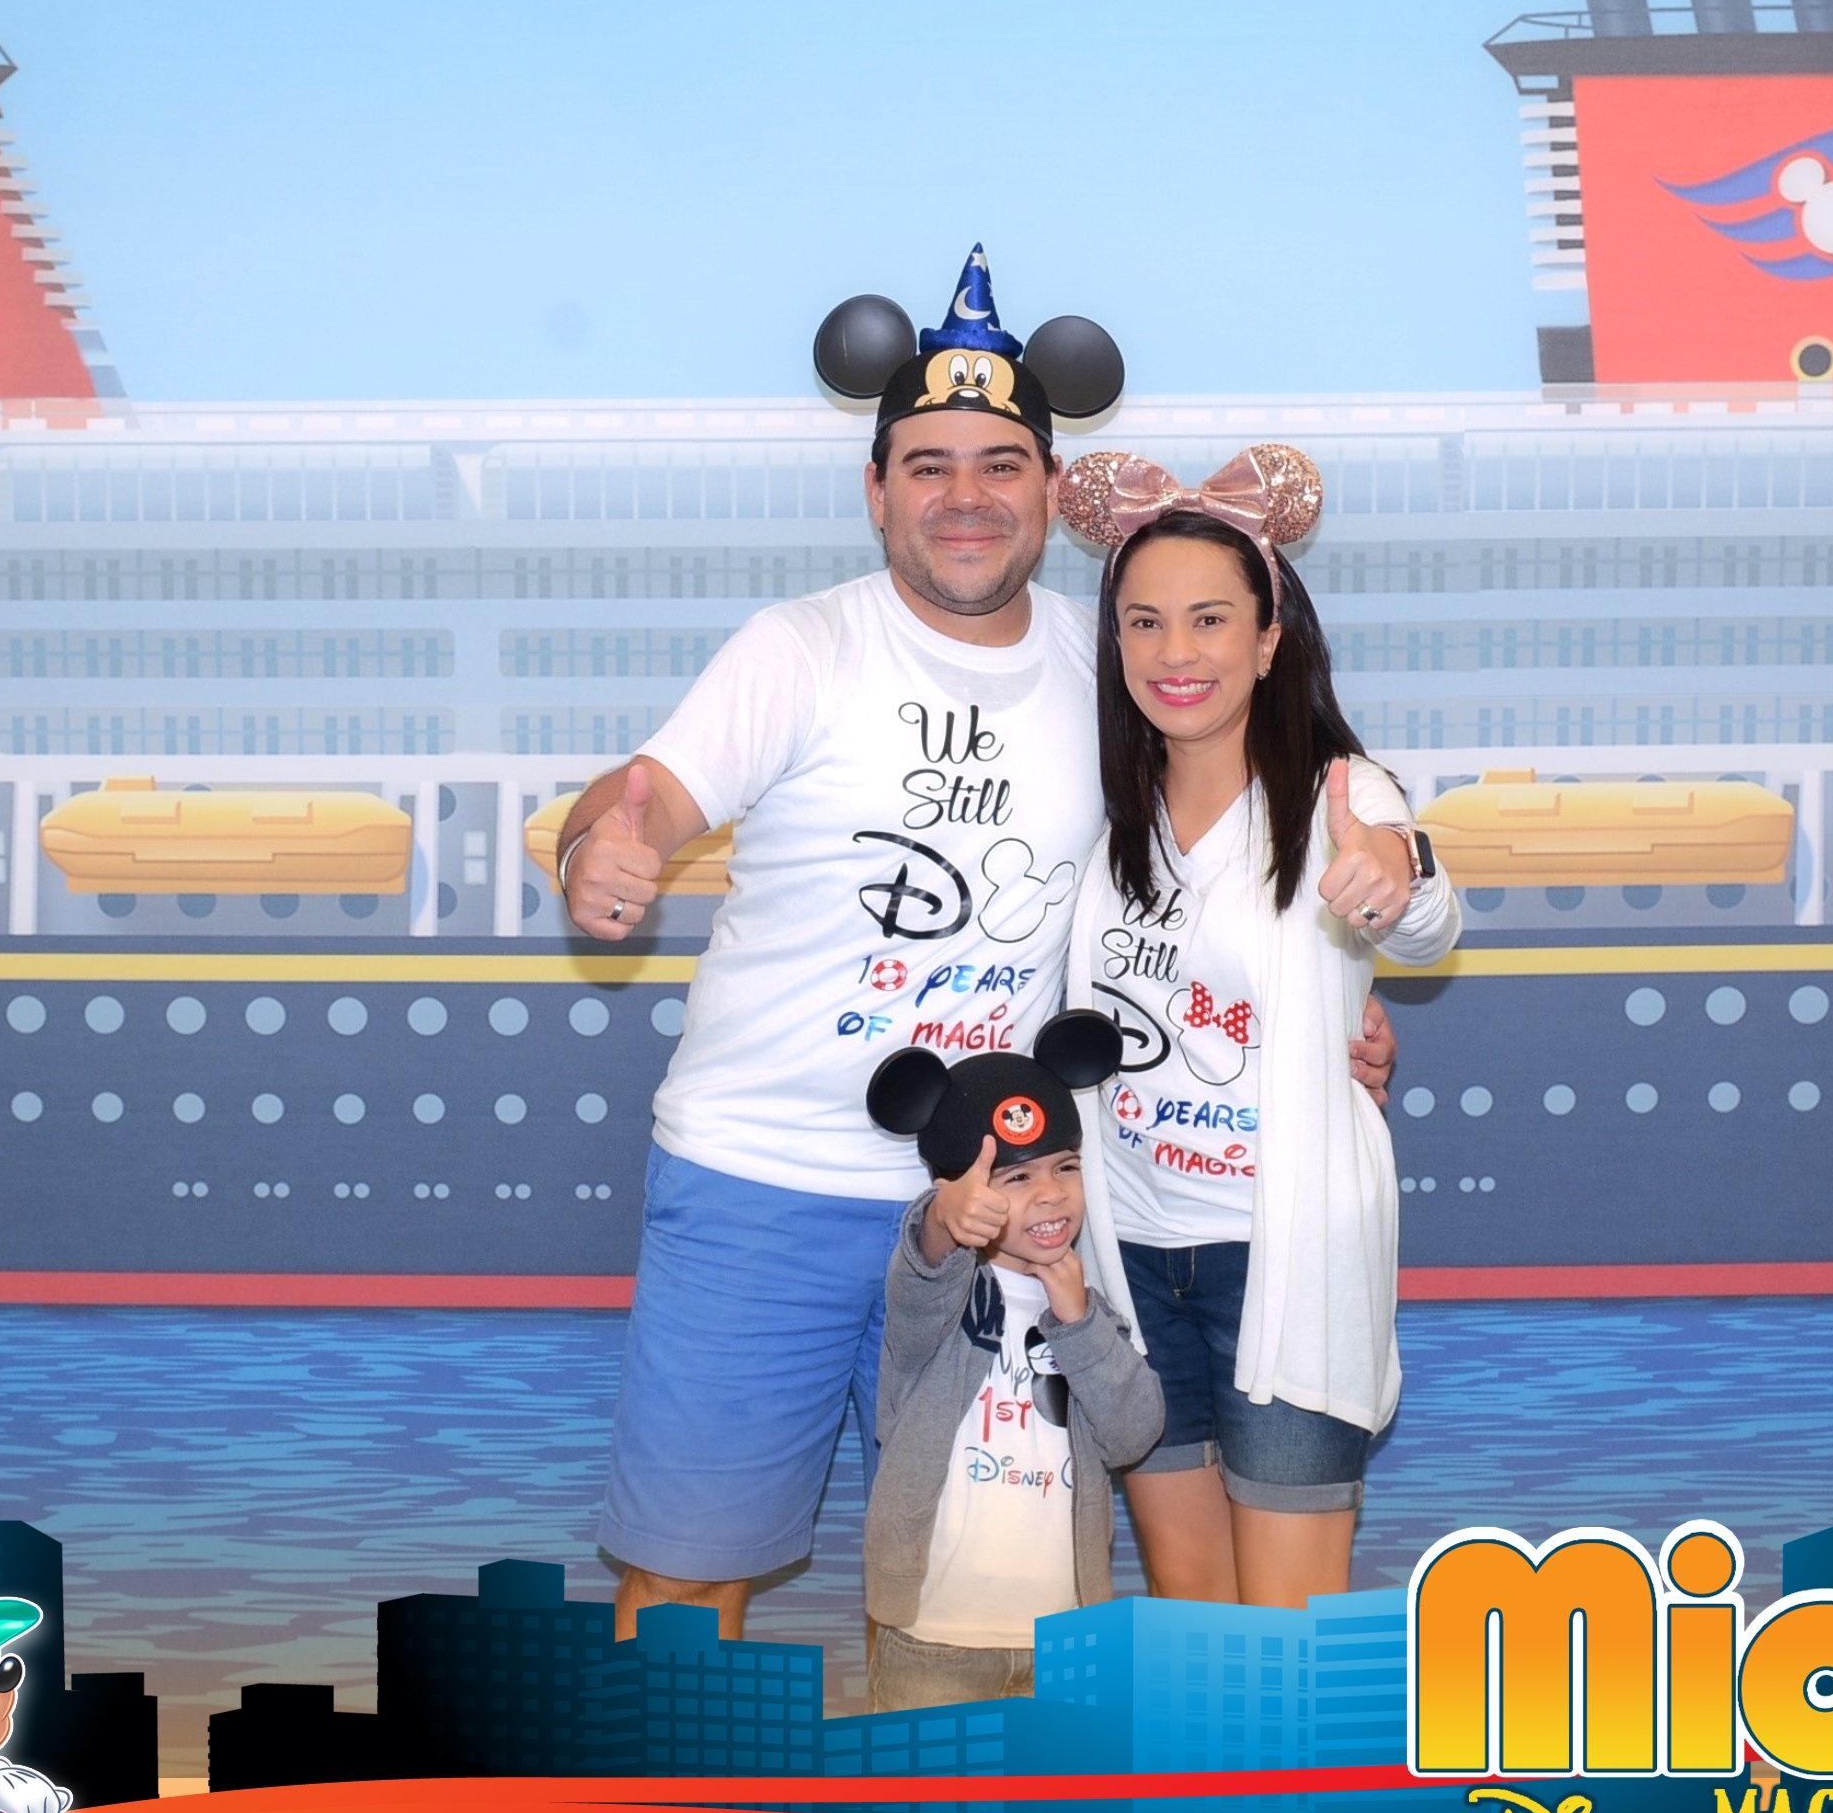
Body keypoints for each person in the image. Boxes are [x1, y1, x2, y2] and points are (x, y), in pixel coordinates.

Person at [551, 252, 1399, 1638]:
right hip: (765, 1185)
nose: (966, 497)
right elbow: (642, 797)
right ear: (876, 488)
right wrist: (597, 849)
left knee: (985, 1601)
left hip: (1008, 1200)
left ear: (1051, 491)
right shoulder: (799, 649)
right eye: (928, 465)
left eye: (1001, 464)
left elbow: (1196, 890)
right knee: (691, 1574)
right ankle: (661, 1791)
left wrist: (1325, 1011)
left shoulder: (1112, 665)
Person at [1058, 444, 1462, 1612]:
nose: (1175, 654)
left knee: (1287, 1624)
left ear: (1270, 637)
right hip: (1132, 1266)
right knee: (1191, 1612)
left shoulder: (1341, 793)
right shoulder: (1106, 817)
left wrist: (1395, 876)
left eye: (1209, 620)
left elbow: (1426, 920)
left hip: (1283, 1266)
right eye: (1144, 624)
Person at [857, 1015, 1164, 1709]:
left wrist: (1079, 1322)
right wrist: (943, 1217)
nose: (1050, 1193)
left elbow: (1133, 1433)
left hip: (1065, 1643)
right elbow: (924, 1265)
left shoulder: (1091, 1312)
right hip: (933, 1641)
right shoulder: (944, 1298)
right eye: (1017, 1177)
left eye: (1066, 1167)